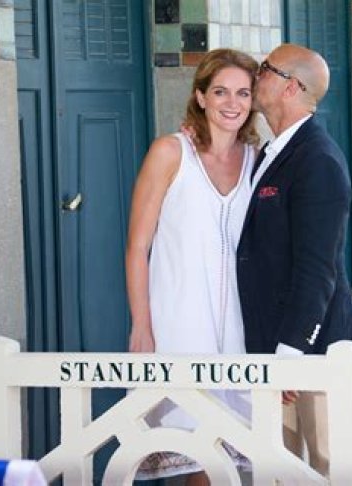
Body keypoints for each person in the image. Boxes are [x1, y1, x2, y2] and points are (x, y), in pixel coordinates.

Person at [125, 48, 259, 485]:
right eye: (220, 91)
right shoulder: (170, 152)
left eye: (243, 93)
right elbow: (137, 246)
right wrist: (141, 325)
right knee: (195, 457)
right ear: (200, 96)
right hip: (179, 325)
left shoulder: (257, 160)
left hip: (239, 332)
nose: (232, 103)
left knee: (229, 461)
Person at [236, 43, 352, 477]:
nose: (255, 76)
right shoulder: (270, 152)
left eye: (265, 69)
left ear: (291, 87)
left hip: (316, 349)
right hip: (272, 347)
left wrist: (291, 355)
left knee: (329, 468)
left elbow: (317, 268)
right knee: (279, 471)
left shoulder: (318, 160)